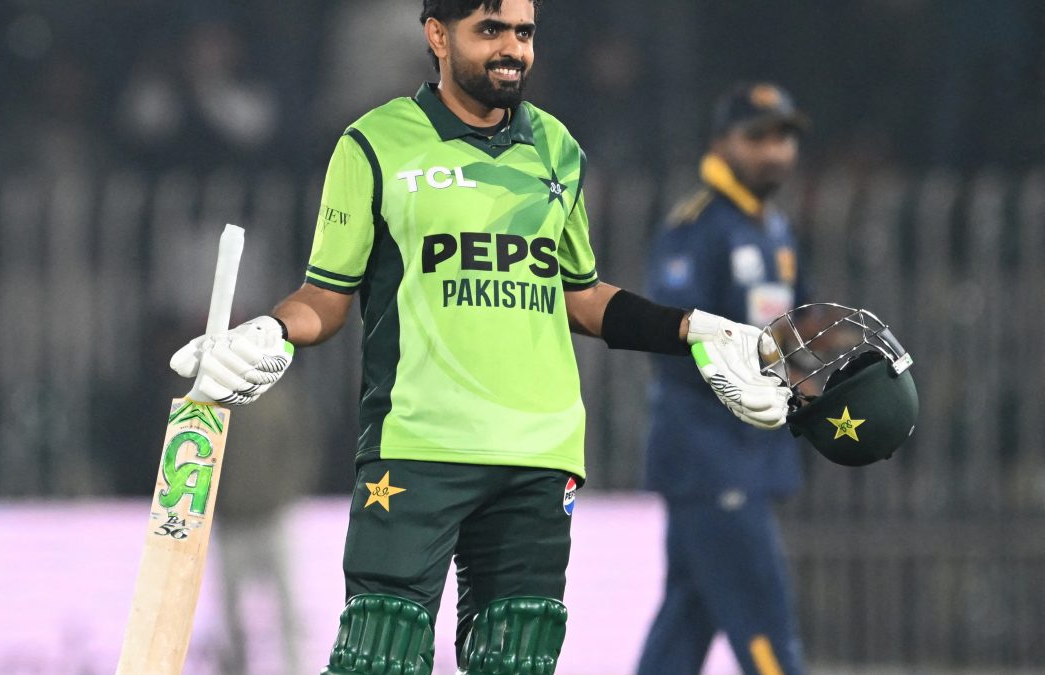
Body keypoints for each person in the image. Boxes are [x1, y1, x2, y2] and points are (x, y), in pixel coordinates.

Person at [168, 3, 789, 672]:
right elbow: (327, 295)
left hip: (538, 450)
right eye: (489, 30)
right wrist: (273, 332)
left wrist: (687, 327)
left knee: (518, 657)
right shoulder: (374, 143)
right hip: (417, 445)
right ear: (438, 35)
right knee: (379, 653)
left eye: (524, 33)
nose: (513, 49)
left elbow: (579, 293)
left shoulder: (557, 147)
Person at [635, 82, 811, 675]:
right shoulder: (698, 227)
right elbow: (670, 339)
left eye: (783, 137)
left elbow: (795, 332)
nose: (774, 151)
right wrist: (749, 380)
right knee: (764, 620)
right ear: (722, 144)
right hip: (709, 457)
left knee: (686, 622)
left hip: (748, 457)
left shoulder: (775, 230)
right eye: (757, 137)